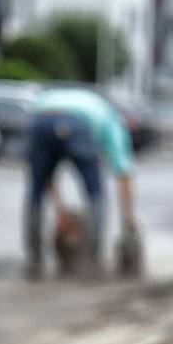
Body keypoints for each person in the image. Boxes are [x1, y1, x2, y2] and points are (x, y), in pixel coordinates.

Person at [23, 86, 137, 279]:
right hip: (78, 123)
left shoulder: (56, 98)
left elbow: (46, 178)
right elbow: (124, 171)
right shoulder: (111, 118)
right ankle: (91, 259)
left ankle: (34, 260)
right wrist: (128, 219)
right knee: (95, 194)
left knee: (35, 191)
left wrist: (60, 210)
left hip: (40, 120)